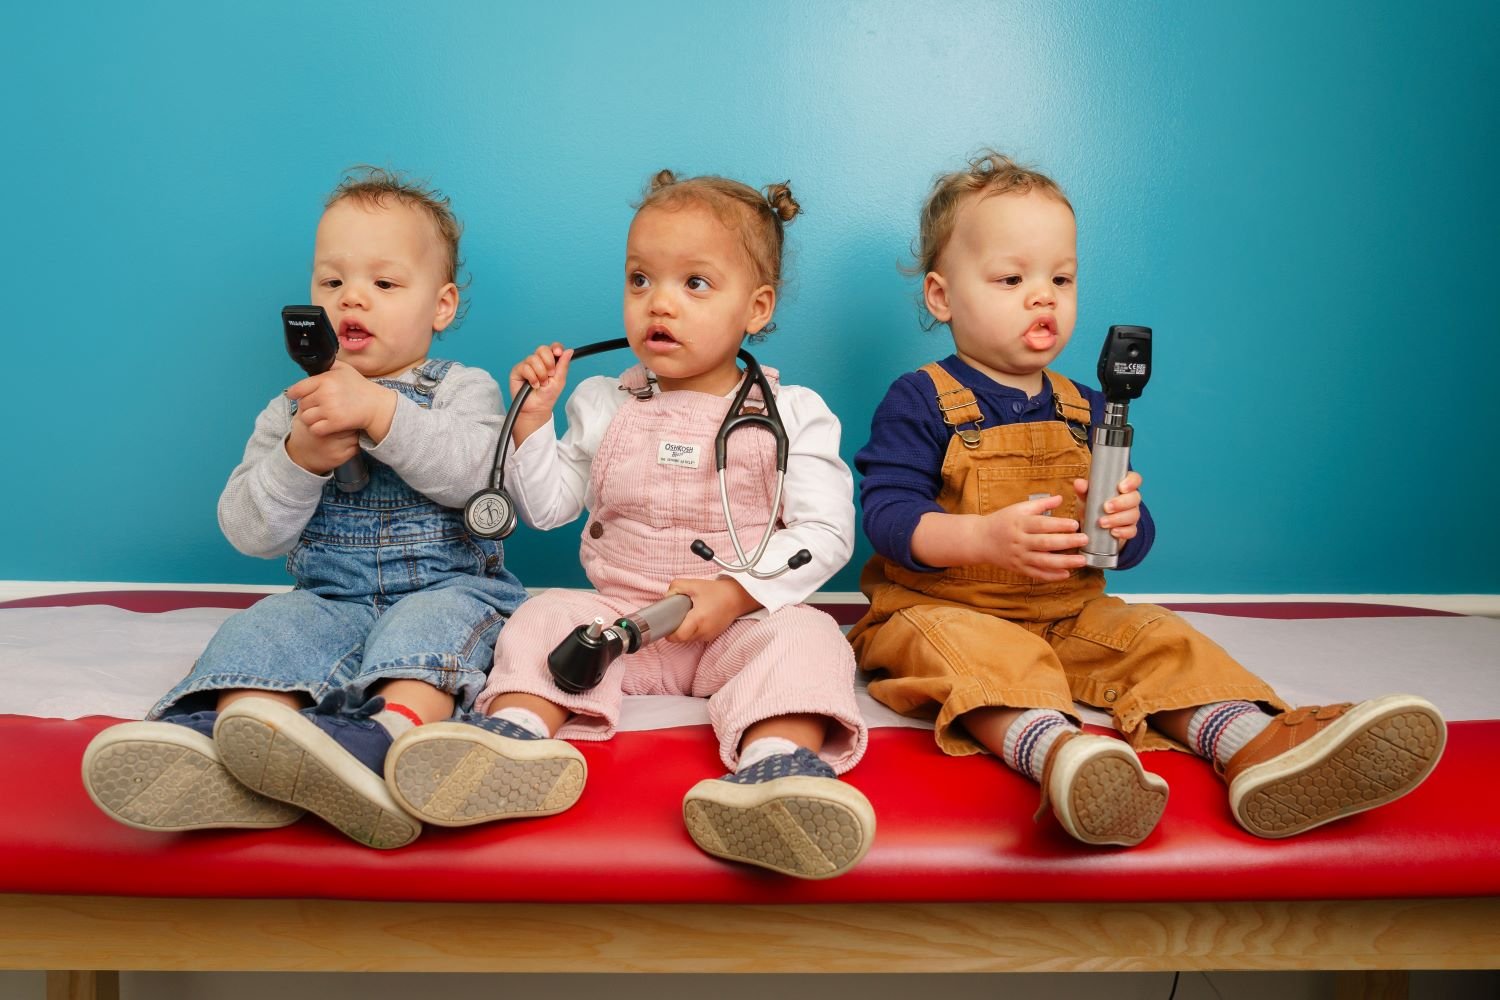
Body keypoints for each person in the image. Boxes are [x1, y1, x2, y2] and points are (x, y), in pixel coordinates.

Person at [846, 151, 1446, 847]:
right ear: (942, 296)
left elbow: (1128, 538)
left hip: (1069, 612)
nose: (1043, 296)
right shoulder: (921, 398)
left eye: (1061, 279)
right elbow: (886, 515)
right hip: (945, 608)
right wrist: (979, 539)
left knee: (1159, 639)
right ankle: (1062, 754)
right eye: (1012, 278)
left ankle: (1254, 745)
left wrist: (1127, 527)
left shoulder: (1090, 406)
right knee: (975, 656)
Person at [382, 170, 875, 879]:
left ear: (757, 307)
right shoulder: (603, 400)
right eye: (640, 279)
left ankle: (777, 774)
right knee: (544, 612)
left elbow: (826, 535)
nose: (659, 303)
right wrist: (530, 423)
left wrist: (736, 594)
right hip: (616, 628)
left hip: (736, 626)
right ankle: (511, 742)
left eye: (695, 284)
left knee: (809, 635)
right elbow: (550, 507)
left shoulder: (792, 413)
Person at [81, 167, 526, 849]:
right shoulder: (294, 408)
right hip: (329, 594)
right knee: (265, 632)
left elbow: (480, 481)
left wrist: (383, 415)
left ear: (441, 306)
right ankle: (230, 749)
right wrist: (299, 459)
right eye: (332, 281)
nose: (353, 298)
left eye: (384, 283)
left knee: (428, 636)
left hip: (448, 586)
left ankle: (381, 742)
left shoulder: (463, 390)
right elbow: (247, 530)